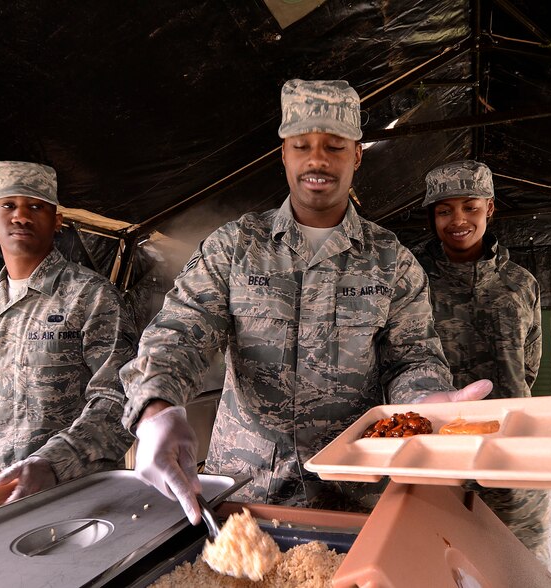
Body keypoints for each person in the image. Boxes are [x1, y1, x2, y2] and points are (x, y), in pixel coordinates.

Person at [120, 79, 493, 524]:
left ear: (357, 155)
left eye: (334, 146)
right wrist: (157, 408)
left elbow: (412, 359)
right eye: (302, 145)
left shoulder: (392, 260)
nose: (317, 159)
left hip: (355, 494)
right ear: (284, 154)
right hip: (245, 493)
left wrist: (425, 398)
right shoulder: (235, 246)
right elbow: (181, 331)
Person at [0, 161, 137, 502]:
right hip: (3, 487)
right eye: (8, 205)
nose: (21, 217)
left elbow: (120, 399)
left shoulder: (91, 295)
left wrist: (51, 462)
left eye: (36, 207)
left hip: (79, 488)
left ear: (57, 221)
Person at [412, 160, 547, 560]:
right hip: (436, 461)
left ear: (490, 208)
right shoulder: (412, 283)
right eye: (444, 210)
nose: (458, 220)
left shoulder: (521, 283)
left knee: (518, 566)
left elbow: (529, 367)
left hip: (511, 462)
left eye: (470, 207)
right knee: (435, 564)